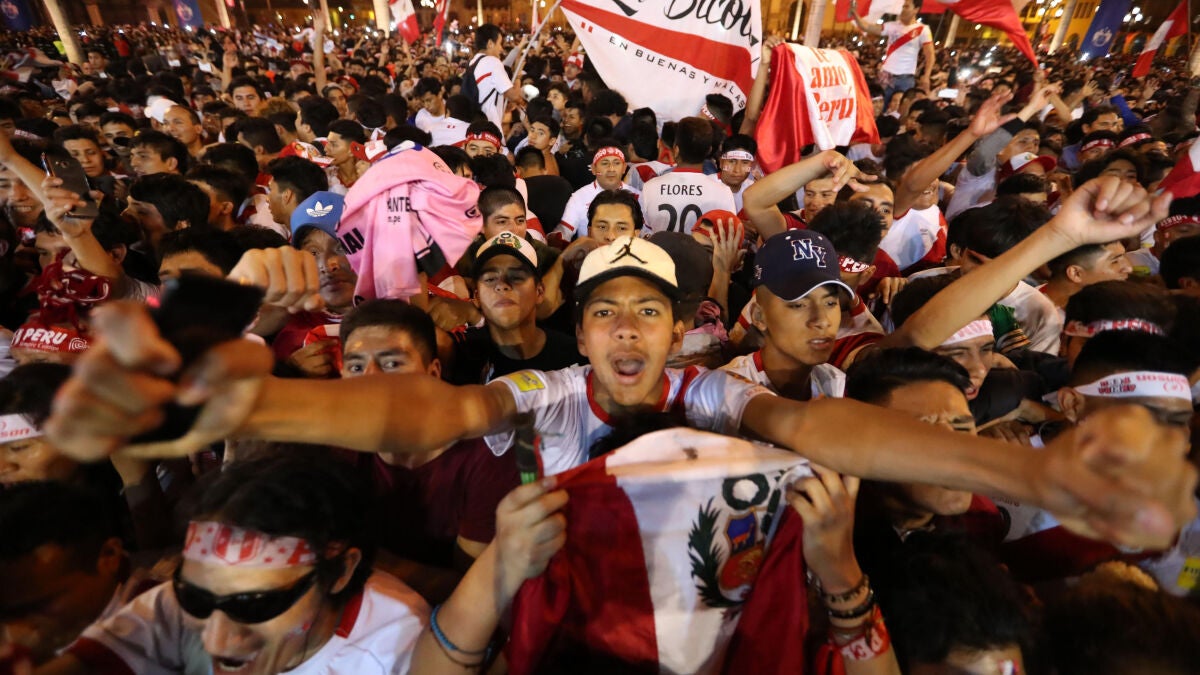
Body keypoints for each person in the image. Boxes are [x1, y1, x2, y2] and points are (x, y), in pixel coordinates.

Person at [45, 183, 1200, 554]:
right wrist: (246, 399)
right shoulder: (548, 395)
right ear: (582, 333)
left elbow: (817, 430)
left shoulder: (714, 390)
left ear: (683, 325)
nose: (631, 329)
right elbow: (427, 413)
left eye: (652, 309)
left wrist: (1033, 477)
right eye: (609, 313)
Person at [39, 456, 430, 675]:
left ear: (340, 571)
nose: (216, 640)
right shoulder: (183, 601)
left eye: (254, 605)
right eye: (197, 599)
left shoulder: (397, 649)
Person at [722, 230, 851, 401]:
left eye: (830, 303)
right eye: (799, 305)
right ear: (759, 316)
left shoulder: (836, 384)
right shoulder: (723, 394)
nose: (822, 320)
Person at [449, 231, 581, 384]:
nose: (502, 285)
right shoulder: (458, 352)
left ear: (539, 292)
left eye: (516, 277)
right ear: (477, 297)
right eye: (490, 279)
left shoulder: (575, 355)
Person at [641, 117, 736, 235]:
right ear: (709, 150)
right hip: (700, 248)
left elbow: (643, 233)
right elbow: (729, 236)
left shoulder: (649, 187)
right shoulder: (723, 192)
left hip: (658, 247)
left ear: (676, 150)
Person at [553, 141, 641, 241]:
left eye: (616, 163)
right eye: (605, 163)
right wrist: (556, 240)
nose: (611, 169)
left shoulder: (638, 196)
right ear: (593, 169)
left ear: (624, 168)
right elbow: (565, 231)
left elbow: (646, 233)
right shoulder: (579, 197)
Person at [851, 0, 934, 103]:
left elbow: (930, 55)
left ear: (916, 10)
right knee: (879, 107)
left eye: (906, 7)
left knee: (901, 110)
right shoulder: (891, 26)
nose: (902, 10)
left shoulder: (923, 30)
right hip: (886, 76)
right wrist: (855, 14)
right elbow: (867, 27)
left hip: (906, 80)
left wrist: (926, 76)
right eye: (902, 7)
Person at [465, 24, 524, 136]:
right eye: (500, 43)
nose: (501, 49)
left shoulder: (473, 62)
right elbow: (514, 96)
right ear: (490, 43)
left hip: (476, 127)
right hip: (490, 129)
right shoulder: (492, 62)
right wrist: (518, 75)